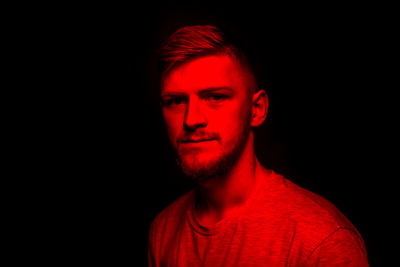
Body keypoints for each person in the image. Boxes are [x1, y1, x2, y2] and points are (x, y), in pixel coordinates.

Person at [148, 25, 369, 266]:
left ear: (257, 110)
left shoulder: (322, 241)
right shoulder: (164, 229)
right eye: (176, 101)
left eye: (216, 97)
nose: (191, 119)